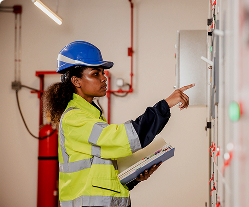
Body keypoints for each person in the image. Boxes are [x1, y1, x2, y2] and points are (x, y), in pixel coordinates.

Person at [43, 41, 194, 207]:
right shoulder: (75, 118)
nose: (103, 78)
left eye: (103, 73)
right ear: (76, 81)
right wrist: (164, 105)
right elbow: (122, 138)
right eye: (95, 74)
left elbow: (99, 177)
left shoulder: (89, 115)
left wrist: (133, 178)